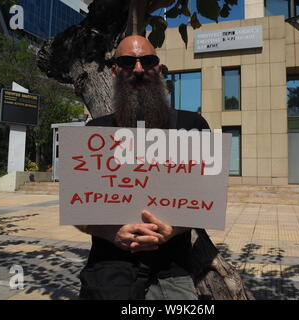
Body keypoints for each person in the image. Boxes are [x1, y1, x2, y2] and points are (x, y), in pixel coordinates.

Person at [76, 35, 211, 300]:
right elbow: (78, 212)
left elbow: (209, 201)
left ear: (158, 69)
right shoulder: (94, 132)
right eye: (128, 62)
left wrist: (174, 229)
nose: (138, 69)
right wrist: (111, 232)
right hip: (108, 271)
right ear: (115, 71)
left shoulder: (191, 126)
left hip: (172, 274)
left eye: (147, 61)